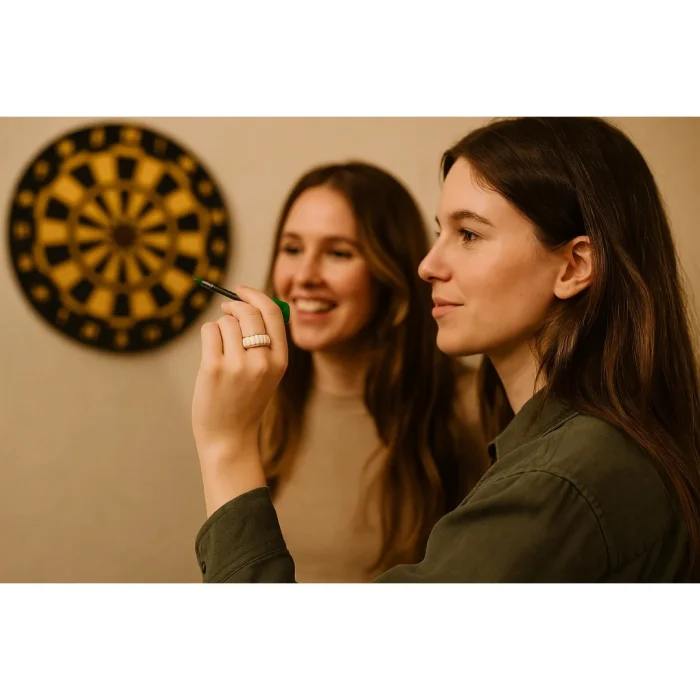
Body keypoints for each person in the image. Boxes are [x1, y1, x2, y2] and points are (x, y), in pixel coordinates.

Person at [191, 117, 700, 582]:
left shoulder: (558, 480)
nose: (428, 266)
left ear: (574, 266)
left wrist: (225, 445)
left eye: (469, 234)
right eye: (442, 233)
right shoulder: (561, 453)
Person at [201, 161, 489, 583]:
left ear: (390, 274)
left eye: (338, 253)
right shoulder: (253, 407)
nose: (304, 277)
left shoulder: (468, 407)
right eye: (292, 249)